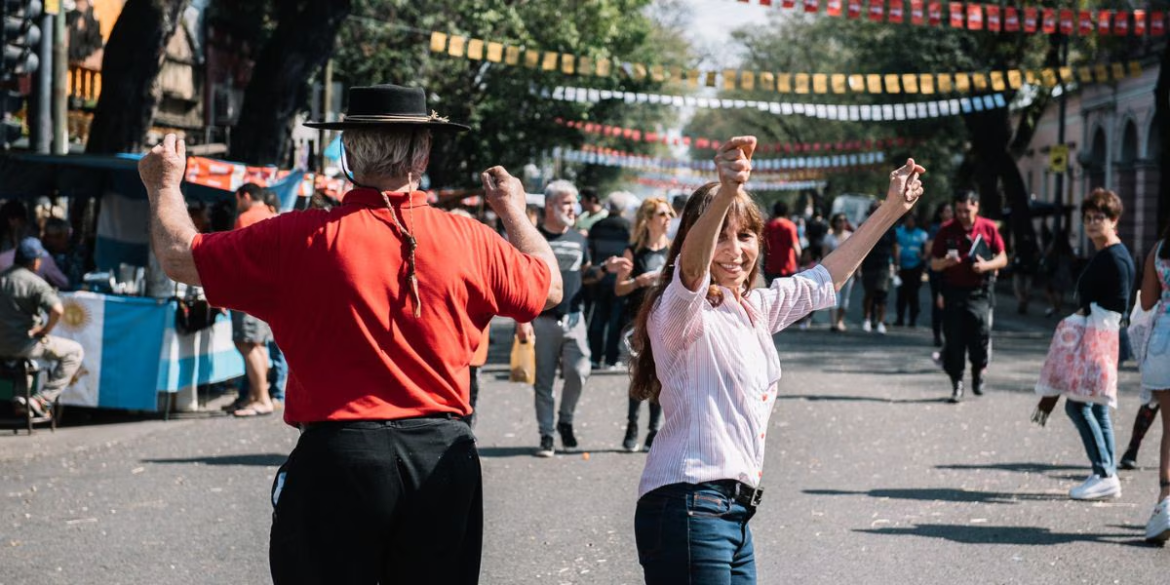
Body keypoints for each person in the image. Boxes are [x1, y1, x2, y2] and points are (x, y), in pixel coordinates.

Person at [138, 84, 563, 585]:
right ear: (422, 154)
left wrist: (164, 185)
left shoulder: (297, 237)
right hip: (441, 454)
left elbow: (178, 256)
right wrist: (512, 207)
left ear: (348, 152)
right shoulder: (470, 238)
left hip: (340, 456)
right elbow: (549, 284)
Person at [628, 136, 925, 584]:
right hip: (688, 507)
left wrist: (889, 211)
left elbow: (827, 277)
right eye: (720, 237)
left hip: (733, 513)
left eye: (745, 235)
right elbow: (691, 271)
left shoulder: (754, 308)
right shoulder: (678, 309)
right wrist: (727, 191)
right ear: (694, 239)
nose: (734, 250)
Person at [518, 180, 618, 458]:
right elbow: (523, 281)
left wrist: (603, 269)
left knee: (579, 371)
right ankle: (547, 435)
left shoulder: (579, 239)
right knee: (544, 382)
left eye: (574, 203)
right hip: (542, 321)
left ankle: (565, 418)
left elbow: (585, 276)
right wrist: (522, 320)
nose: (573, 208)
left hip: (575, 318)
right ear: (549, 205)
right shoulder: (533, 239)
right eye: (566, 203)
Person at [1058, 189, 1135, 501]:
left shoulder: (1114, 257)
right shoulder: (1108, 254)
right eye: (1087, 218)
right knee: (1098, 407)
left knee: (1077, 405)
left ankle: (1104, 473)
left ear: (1113, 220)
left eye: (1098, 218)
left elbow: (1114, 308)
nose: (1091, 224)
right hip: (1105, 338)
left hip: (1102, 339)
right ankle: (1106, 472)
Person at [930, 191, 1007, 403]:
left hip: (979, 292)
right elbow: (934, 263)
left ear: (976, 207)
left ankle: (978, 372)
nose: (963, 215)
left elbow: (1003, 258)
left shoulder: (988, 227)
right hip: (953, 291)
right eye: (959, 211)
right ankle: (957, 384)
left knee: (980, 335)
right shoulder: (946, 230)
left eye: (967, 210)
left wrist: (986, 266)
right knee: (954, 340)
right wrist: (946, 262)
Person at [612, 196, 673, 452]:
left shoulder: (674, 250)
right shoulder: (634, 251)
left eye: (669, 214)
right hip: (636, 321)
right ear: (648, 220)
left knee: (660, 378)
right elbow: (618, 289)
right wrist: (640, 281)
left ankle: (652, 431)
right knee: (639, 375)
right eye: (662, 214)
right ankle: (632, 427)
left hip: (665, 320)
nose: (668, 218)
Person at [0, 238, 84, 419]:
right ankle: (42, 400)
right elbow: (57, 309)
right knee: (74, 352)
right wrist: (45, 330)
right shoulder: (35, 283)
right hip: (24, 344)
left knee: (23, 359)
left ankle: (21, 399)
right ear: (35, 261)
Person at [228, 183, 278, 417]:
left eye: (238, 200)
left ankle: (262, 398)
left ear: (246, 196)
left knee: (247, 344)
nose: (238, 206)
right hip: (268, 290)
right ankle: (257, 395)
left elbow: (239, 257)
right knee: (256, 345)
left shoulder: (246, 217)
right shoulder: (271, 214)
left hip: (249, 290)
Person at [1136, 219, 1170, 541]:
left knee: (1169, 431)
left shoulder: (1159, 250)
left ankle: (1165, 503)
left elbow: (1146, 302)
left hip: (1162, 342)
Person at [587, 192, 633, 369]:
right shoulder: (628, 227)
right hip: (619, 279)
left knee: (598, 318)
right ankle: (611, 359)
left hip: (600, 276)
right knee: (615, 320)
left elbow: (591, 251)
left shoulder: (597, 226)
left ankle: (594, 357)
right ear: (623, 208)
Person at [860, 203, 897, 334]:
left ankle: (881, 322)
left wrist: (896, 265)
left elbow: (894, 246)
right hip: (868, 264)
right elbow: (859, 247)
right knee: (869, 293)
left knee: (882, 293)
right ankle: (867, 319)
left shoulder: (890, 226)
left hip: (883, 264)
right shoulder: (865, 226)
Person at [894, 213, 929, 327]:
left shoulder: (922, 234)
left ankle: (913, 320)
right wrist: (896, 264)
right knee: (901, 294)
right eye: (907, 220)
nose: (909, 223)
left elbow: (928, 249)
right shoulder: (899, 232)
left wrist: (923, 257)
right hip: (902, 267)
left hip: (915, 268)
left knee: (913, 294)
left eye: (912, 221)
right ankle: (900, 318)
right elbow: (895, 247)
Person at [926, 203, 954, 346]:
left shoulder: (955, 228)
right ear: (941, 214)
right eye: (947, 211)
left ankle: (950, 333)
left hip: (952, 269)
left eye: (951, 211)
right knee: (938, 302)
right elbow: (929, 249)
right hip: (937, 269)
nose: (950, 214)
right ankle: (937, 334)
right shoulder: (936, 229)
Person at [822, 213, 854, 332]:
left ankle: (840, 320)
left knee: (845, 298)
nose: (842, 223)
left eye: (844, 220)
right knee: (835, 296)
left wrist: (858, 270)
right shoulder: (829, 238)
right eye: (839, 220)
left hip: (849, 271)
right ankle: (833, 322)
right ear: (834, 223)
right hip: (833, 272)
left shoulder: (850, 236)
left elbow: (856, 255)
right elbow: (824, 255)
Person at [762, 200, 800, 285]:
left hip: (771, 268)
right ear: (786, 211)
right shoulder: (790, 226)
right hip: (788, 268)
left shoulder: (768, 226)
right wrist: (799, 262)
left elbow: (764, 248)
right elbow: (796, 247)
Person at [1042, 230, 1075, 317]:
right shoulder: (1068, 247)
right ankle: (1057, 307)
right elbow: (1073, 259)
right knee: (1060, 291)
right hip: (1065, 272)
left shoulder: (1053, 246)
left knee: (1050, 290)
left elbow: (1046, 255)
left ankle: (1054, 306)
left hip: (1054, 271)